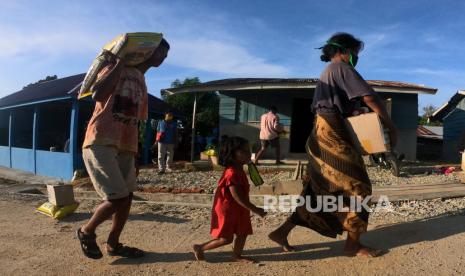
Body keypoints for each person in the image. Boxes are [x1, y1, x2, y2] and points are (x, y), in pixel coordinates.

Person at [268, 33, 398, 258]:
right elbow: (370, 98)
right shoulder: (342, 68)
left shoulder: (328, 73)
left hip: (320, 133)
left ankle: (281, 232)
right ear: (345, 51)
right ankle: (352, 245)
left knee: (319, 190)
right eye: (355, 52)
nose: (356, 57)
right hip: (331, 134)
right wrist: (390, 125)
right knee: (360, 187)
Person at [76, 38, 170, 259]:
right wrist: (119, 63)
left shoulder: (141, 79)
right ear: (145, 51)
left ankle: (113, 244)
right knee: (116, 198)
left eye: (165, 55)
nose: (163, 58)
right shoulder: (113, 67)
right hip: (101, 140)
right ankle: (86, 231)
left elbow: (136, 119)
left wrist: (135, 153)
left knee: (126, 198)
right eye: (160, 52)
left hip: (125, 145)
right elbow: (98, 95)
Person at [193, 136, 267, 263]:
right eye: (243, 151)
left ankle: (236, 255)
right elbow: (237, 196)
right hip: (227, 209)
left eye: (248, 150)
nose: (248, 153)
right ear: (232, 155)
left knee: (243, 232)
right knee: (226, 239)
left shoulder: (239, 170)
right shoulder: (231, 173)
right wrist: (255, 209)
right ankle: (200, 248)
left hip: (240, 208)